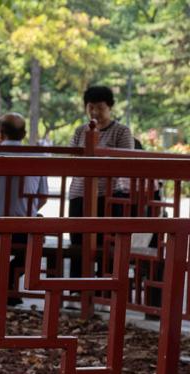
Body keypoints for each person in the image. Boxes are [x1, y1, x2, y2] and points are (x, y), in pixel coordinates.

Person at [0, 113, 48, 307]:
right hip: (24, 231)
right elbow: (43, 196)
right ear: (23, 133)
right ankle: (9, 282)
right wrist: (28, 212)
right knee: (38, 234)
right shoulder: (38, 157)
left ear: (0, 133)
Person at [66, 85, 134, 279]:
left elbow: (126, 161)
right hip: (80, 192)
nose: (94, 112)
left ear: (110, 107)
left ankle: (104, 284)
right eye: (90, 107)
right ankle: (77, 286)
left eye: (100, 108)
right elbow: (72, 158)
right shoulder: (80, 131)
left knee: (107, 242)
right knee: (78, 240)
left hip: (109, 194)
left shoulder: (121, 131)